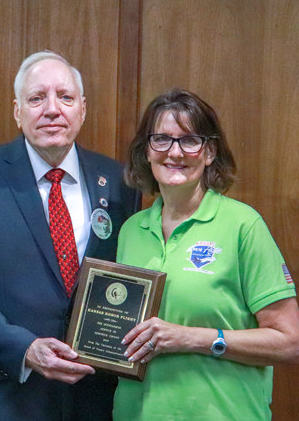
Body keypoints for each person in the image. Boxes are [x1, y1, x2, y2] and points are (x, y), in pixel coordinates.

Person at [0, 51, 140, 421]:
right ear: (17, 111)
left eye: (65, 97)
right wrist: (25, 349)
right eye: (36, 98)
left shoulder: (122, 184)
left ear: (82, 109)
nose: (52, 109)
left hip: (92, 401)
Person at [113, 88, 299, 421]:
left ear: (209, 152)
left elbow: (289, 342)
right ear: (146, 152)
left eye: (189, 140)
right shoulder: (131, 231)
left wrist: (191, 338)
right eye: (162, 139)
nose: (175, 152)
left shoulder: (243, 226)